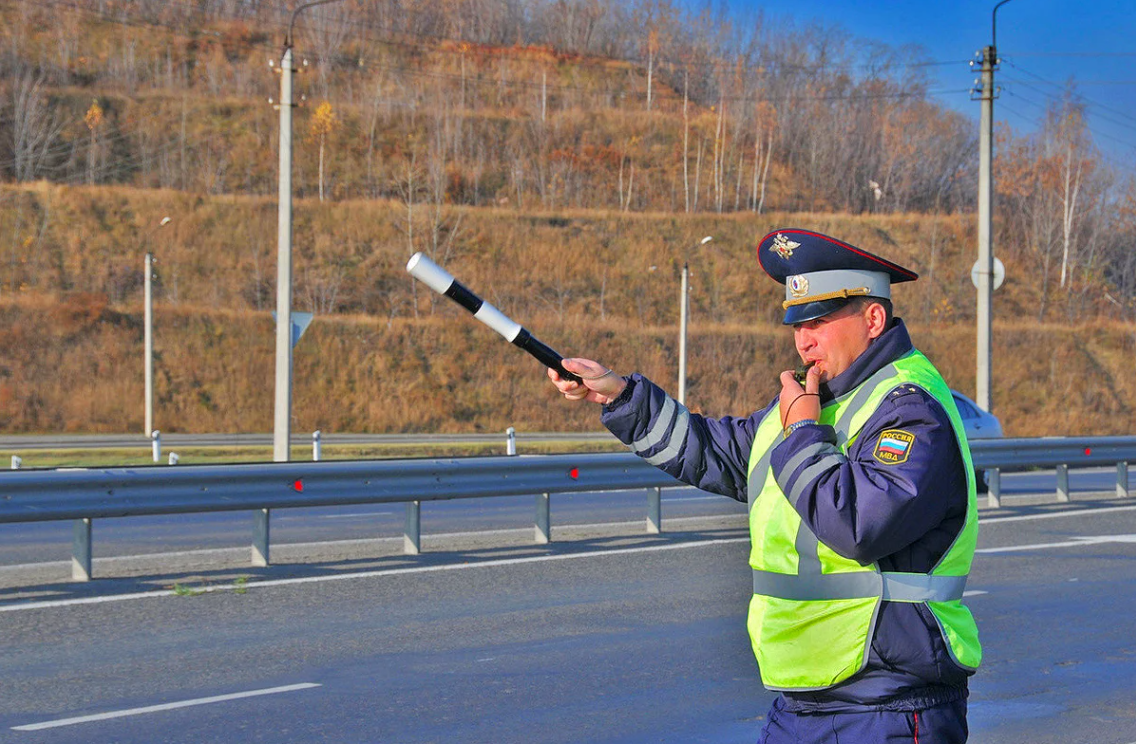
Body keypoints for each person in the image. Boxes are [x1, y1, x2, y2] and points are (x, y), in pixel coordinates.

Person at [547, 228, 981, 743]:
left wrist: (802, 432)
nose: (804, 340)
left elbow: (859, 524)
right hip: (803, 700)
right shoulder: (814, 405)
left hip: (886, 701)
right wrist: (618, 394)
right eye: (797, 324)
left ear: (873, 319)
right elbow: (715, 451)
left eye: (819, 321)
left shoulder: (908, 405)